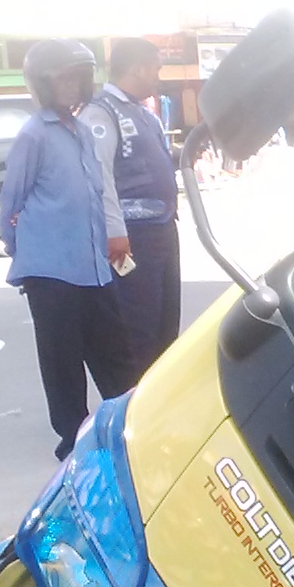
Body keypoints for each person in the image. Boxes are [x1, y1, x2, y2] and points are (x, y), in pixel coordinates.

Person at [3, 40, 132, 459]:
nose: (71, 87)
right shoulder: (34, 135)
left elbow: (94, 196)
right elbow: (11, 202)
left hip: (92, 266)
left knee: (116, 356)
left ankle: (130, 428)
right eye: (62, 79)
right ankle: (73, 445)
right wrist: (24, 254)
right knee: (63, 364)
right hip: (51, 272)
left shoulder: (80, 131)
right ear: (43, 84)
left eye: (78, 78)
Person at [80, 37, 181, 381]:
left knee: (166, 324)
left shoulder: (143, 113)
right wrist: (115, 232)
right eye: (156, 67)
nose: (158, 76)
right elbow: (101, 176)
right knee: (139, 326)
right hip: (131, 239)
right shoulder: (101, 112)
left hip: (162, 231)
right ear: (137, 67)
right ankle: (136, 404)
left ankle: (161, 397)